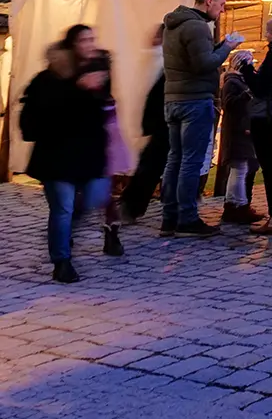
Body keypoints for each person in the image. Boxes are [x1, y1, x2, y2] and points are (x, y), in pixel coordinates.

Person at [21, 27, 118, 282]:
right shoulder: (49, 78)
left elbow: (99, 112)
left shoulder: (99, 71)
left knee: (96, 195)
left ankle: (64, 231)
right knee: (62, 207)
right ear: (72, 45)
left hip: (90, 154)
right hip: (57, 156)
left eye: (92, 39)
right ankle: (61, 261)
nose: (90, 44)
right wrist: (78, 89)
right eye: (84, 40)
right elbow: (42, 116)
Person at [160, 0, 243, 237]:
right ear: (208, 1)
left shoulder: (174, 24)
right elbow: (203, 64)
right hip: (194, 100)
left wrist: (218, 45)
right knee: (190, 161)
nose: (222, 10)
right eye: (220, 5)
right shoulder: (196, 27)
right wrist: (228, 46)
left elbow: (193, 58)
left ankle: (169, 218)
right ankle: (187, 219)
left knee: (175, 159)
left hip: (173, 98)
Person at [242, 16, 272, 236]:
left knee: (271, 168)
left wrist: (245, 69)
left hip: (267, 116)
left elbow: (261, 88)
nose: (265, 33)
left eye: (268, 30)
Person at [119, 26, 169, 223]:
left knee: (150, 167)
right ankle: (129, 207)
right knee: (151, 167)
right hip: (159, 122)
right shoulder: (159, 59)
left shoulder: (154, 59)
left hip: (154, 122)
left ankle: (130, 206)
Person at [219, 52, 262, 225]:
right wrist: (246, 95)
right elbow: (229, 105)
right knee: (240, 170)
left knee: (239, 170)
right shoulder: (232, 82)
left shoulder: (238, 81)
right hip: (237, 132)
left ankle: (232, 204)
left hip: (241, 130)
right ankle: (240, 206)